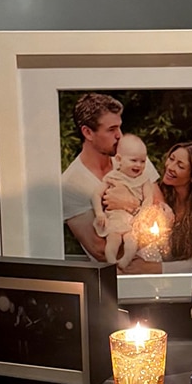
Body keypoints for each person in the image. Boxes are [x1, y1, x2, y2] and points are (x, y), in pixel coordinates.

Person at [61, 93, 158, 263]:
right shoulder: (70, 184)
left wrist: (130, 204)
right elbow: (99, 249)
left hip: (157, 266)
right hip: (118, 275)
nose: (119, 135)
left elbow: (163, 215)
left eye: (119, 127)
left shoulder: (134, 157)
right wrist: (147, 220)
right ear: (88, 132)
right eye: (111, 129)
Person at [116, 141, 192, 275]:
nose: (170, 167)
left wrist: (153, 268)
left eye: (180, 166)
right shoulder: (160, 197)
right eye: (171, 159)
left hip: (181, 281)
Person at [92, 133, 169, 269]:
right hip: (115, 218)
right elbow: (96, 194)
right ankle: (111, 262)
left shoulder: (144, 179)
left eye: (143, 161)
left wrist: (142, 213)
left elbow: (148, 198)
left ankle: (125, 260)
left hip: (133, 220)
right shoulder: (113, 177)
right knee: (113, 240)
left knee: (132, 241)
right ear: (119, 159)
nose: (138, 165)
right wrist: (99, 213)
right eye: (133, 160)